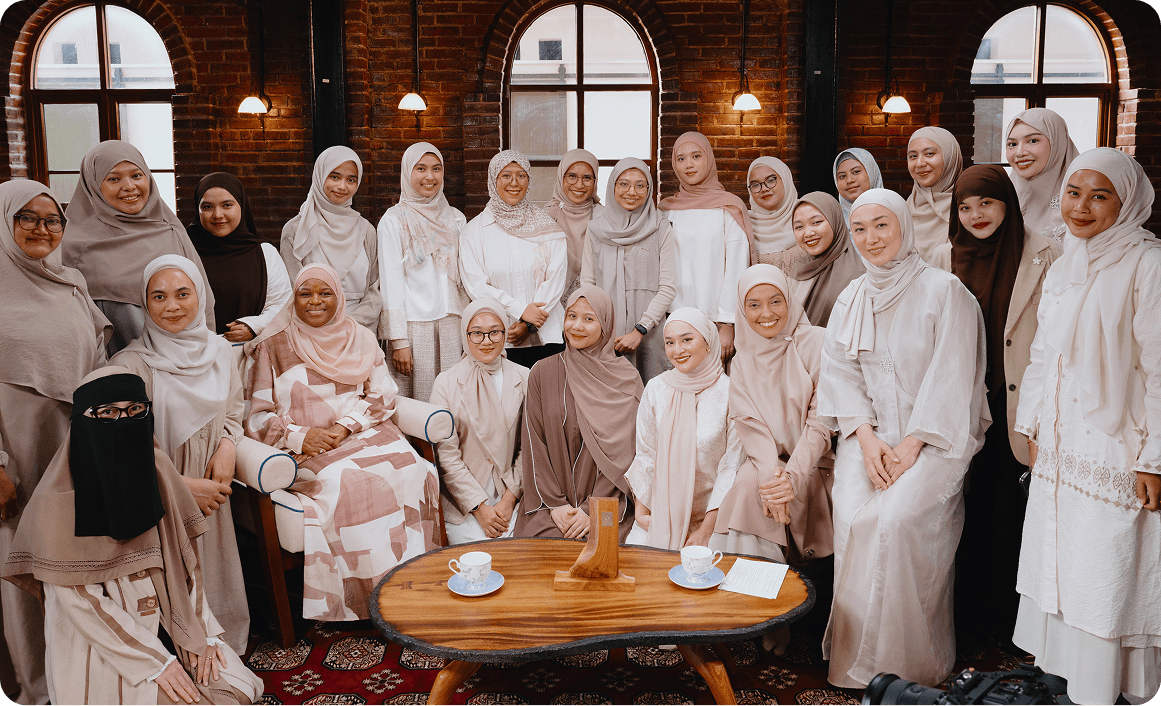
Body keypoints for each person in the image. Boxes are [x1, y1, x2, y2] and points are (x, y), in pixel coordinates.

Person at [2, 367, 264, 706]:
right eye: (107, 413)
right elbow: (83, 605)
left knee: (239, 694)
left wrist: (203, 634)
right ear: (82, 421)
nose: (124, 422)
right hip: (107, 646)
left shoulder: (159, 475)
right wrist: (156, 662)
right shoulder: (55, 501)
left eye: (135, 411)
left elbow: (186, 564)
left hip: (173, 621)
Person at [819, 188, 988, 688]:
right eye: (861, 229)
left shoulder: (944, 290)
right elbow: (840, 374)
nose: (871, 239)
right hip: (867, 436)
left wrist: (911, 445)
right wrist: (868, 442)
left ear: (903, 226)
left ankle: (911, 665)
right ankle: (852, 669)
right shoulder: (852, 295)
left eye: (882, 226)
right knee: (852, 516)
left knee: (895, 521)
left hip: (936, 438)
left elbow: (955, 377)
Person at [1012, 148, 1161, 705]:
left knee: (1105, 559)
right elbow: (1043, 351)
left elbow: (1160, 368)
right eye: (1074, 192)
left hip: (1118, 444)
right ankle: (1065, 669)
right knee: (1062, 550)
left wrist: (1154, 459)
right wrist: (1029, 421)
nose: (1082, 207)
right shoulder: (1066, 260)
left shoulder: (1147, 264)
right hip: (1060, 434)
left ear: (1126, 202)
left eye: (1100, 195)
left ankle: (1110, 682)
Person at [245, 263, 439, 621]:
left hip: (364, 433)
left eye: (325, 293)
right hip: (308, 449)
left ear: (339, 297)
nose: (315, 301)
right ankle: (372, 600)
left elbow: (383, 393)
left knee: (415, 470)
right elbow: (257, 416)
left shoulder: (361, 337)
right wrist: (302, 436)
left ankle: (418, 583)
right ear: (294, 299)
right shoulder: (272, 346)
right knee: (349, 484)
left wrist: (347, 426)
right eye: (305, 293)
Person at [0, 180, 110, 706]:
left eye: (54, 219)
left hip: (73, 440)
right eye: (28, 218)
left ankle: (82, 677)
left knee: (73, 557)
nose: (43, 229)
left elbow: (99, 353)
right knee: (22, 559)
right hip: (17, 446)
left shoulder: (70, 281)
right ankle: (38, 685)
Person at [108, 254, 250, 654]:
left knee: (212, 569)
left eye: (183, 294)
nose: (172, 306)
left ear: (200, 296)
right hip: (161, 493)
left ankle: (222, 646)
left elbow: (234, 411)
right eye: (159, 297)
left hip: (210, 484)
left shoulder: (221, 352)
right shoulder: (130, 365)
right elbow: (122, 448)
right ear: (145, 304)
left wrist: (227, 445)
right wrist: (179, 487)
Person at [948, 164, 1059, 644]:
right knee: (963, 511)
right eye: (965, 207)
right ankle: (965, 615)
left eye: (987, 204)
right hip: (963, 404)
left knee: (1010, 511)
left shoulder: (1043, 253)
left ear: (1008, 203)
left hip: (1016, 404)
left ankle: (1011, 622)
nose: (976, 216)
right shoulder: (942, 254)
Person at [712, 265, 835, 654]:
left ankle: (779, 612)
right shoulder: (743, 357)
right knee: (747, 490)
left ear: (789, 300)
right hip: (770, 464)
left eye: (775, 301)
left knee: (764, 490)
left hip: (816, 462)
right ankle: (760, 609)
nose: (766, 313)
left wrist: (790, 481)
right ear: (741, 310)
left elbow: (822, 422)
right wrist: (771, 479)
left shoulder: (816, 343)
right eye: (754, 305)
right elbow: (749, 423)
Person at [62, 140, 215, 355]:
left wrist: (204, 355)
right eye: (114, 178)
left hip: (179, 360)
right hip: (109, 364)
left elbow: (201, 300)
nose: (129, 186)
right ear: (94, 185)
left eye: (136, 175)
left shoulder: (170, 231)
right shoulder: (71, 246)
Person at [515, 286, 643, 540]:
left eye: (589, 319)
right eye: (571, 316)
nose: (577, 326)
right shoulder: (543, 372)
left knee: (601, 560)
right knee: (540, 559)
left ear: (605, 325)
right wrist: (556, 505)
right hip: (549, 504)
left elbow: (628, 454)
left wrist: (590, 509)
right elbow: (533, 443)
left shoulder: (627, 380)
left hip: (607, 501)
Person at [624, 307, 739, 550]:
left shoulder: (730, 394)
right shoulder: (656, 389)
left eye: (687, 339)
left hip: (712, 520)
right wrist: (643, 516)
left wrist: (705, 530)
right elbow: (646, 455)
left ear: (708, 342)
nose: (678, 350)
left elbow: (732, 467)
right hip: (660, 514)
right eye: (670, 342)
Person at [429, 299, 529, 544]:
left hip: (513, 496)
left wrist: (509, 499)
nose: (486, 341)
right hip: (465, 503)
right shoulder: (446, 382)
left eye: (495, 332)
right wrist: (480, 507)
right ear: (465, 335)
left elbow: (529, 447)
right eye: (477, 333)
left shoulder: (525, 377)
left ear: (505, 332)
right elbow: (446, 456)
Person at [460, 150, 568, 369]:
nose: (514, 182)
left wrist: (529, 323)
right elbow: (476, 285)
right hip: (501, 338)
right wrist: (520, 311)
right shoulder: (474, 232)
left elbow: (556, 278)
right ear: (493, 180)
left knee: (548, 400)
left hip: (548, 337)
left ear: (529, 180)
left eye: (521, 175)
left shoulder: (547, 226)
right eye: (506, 175)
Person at [378, 142, 468, 401]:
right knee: (419, 400)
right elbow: (391, 283)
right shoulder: (394, 221)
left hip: (454, 322)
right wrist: (399, 341)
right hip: (414, 327)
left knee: (454, 398)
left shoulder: (457, 219)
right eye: (421, 168)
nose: (430, 177)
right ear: (407, 172)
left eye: (436, 169)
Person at [581, 157, 676, 383]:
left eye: (640, 185)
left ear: (649, 189)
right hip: (605, 335)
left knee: (653, 399)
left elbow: (668, 288)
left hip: (650, 335)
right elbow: (587, 284)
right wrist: (600, 331)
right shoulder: (595, 230)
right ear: (612, 186)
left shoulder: (661, 227)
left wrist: (640, 330)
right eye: (623, 183)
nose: (631, 191)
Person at [660, 132, 751, 361]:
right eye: (681, 159)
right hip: (673, 319)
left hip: (714, 322)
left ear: (708, 159)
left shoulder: (729, 208)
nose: (688, 165)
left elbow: (737, 269)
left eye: (696, 156)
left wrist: (727, 324)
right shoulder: (666, 209)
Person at [281, 145, 383, 333]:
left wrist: (349, 325)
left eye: (350, 180)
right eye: (334, 176)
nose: (342, 186)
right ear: (320, 176)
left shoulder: (366, 230)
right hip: (311, 331)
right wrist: (327, 326)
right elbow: (293, 291)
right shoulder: (296, 230)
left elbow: (375, 290)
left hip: (359, 332)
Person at [188, 172, 291, 342]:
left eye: (227, 205)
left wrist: (255, 325)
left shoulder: (264, 252)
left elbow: (283, 305)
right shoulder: (185, 250)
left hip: (250, 350)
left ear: (241, 206)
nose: (218, 215)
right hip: (194, 353)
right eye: (207, 207)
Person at [788, 192, 865, 327]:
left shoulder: (858, 277)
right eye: (799, 227)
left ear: (835, 221)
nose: (808, 233)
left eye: (816, 222)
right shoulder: (798, 270)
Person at [1005, 107, 1080, 243]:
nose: (1019, 152)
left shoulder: (1084, 202)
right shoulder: (1001, 196)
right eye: (1012, 144)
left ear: (1057, 142)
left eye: (1033, 141)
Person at [543, 149, 603, 301]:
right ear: (561, 177)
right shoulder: (546, 217)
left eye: (587, 178)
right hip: (550, 304)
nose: (579, 184)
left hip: (593, 302)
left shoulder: (605, 218)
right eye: (572, 176)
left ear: (595, 181)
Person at [904, 126, 963, 269]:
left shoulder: (967, 207)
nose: (920, 163)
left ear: (950, 156)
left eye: (929, 154)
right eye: (913, 156)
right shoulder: (904, 209)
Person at [746, 156, 804, 276]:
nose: (764, 189)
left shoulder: (807, 215)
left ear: (785, 179)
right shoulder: (744, 224)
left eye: (771, 180)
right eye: (755, 185)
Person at [832, 148, 884, 226]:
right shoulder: (833, 222)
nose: (849, 180)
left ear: (871, 172)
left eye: (856, 172)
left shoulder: (893, 211)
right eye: (842, 176)